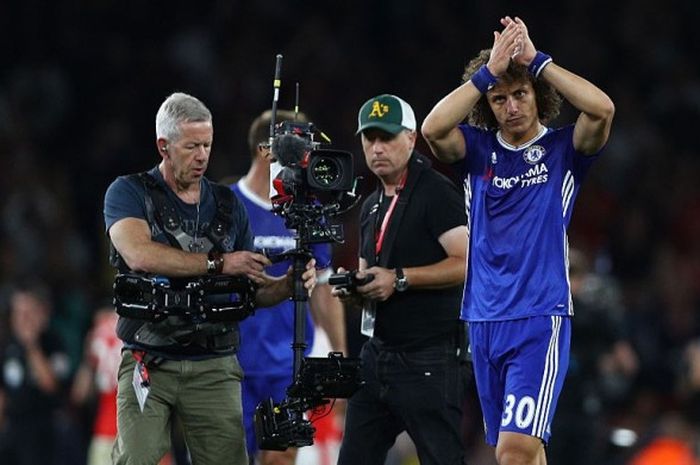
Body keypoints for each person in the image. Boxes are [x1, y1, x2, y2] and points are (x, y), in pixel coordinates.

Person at [421, 16, 615, 465]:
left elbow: (602, 109)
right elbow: (432, 130)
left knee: (514, 451)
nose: (511, 106)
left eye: (520, 93)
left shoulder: (564, 150)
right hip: (484, 317)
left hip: (538, 315)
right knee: (523, 452)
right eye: (499, 98)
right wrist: (486, 72)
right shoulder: (476, 150)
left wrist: (536, 61)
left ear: (538, 95)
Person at [103, 92, 316, 465]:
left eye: (207, 145)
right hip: (149, 358)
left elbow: (252, 287)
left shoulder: (229, 204)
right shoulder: (129, 192)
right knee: (135, 458)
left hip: (213, 363)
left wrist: (286, 285)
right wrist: (219, 263)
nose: (202, 155)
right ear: (163, 146)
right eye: (191, 146)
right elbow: (139, 253)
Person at [334, 93, 471, 465]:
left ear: (411, 138)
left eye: (388, 137)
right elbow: (373, 277)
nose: (377, 148)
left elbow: (467, 262)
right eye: (370, 138)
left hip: (428, 356)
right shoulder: (370, 205)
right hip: (378, 354)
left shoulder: (435, 192)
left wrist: (400, 279)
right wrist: (357, 288)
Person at [231, 109, 346, 465]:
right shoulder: (226, 207)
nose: (307, 158)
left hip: (287, 366)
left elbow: (324, 291)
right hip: (231, 363)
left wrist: (338, 367)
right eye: (298, 147)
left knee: (279, 459)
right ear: (267, 150)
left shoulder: (309, 211)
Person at [0, 282, 71, 465]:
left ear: (40, 313)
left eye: (28, 313)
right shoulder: (8, 345)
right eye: (18, 313)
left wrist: (31, 346)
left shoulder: (53, 343)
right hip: (13, 432)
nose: (22, 319)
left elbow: (51, 385)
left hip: (45, 432)